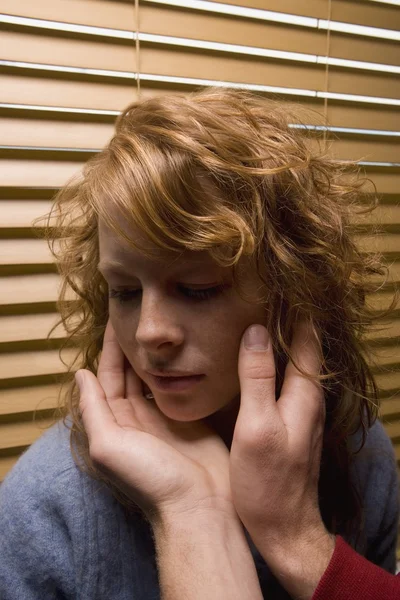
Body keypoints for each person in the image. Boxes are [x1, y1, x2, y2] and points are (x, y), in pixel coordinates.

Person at [0, 87, 398, 600]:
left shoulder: (362, 458)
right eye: (124, 291)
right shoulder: (48, 503)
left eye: (197, 289)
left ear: (294, 293)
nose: (148, 331)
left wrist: (300, 541)